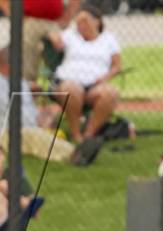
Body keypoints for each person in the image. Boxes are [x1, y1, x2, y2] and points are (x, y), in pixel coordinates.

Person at [0, 46, 75, 164]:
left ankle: (73, 153)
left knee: (37, 134)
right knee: (32, 135)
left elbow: (29, 111)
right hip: (2, 137)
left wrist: (43, 118)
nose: (22, 65)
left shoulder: (20, 82)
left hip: (28, 132)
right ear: (7, 63)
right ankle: (73, 155)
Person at [47, 5, 122, 160]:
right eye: (78, 21)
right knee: (71, 90)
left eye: (85, 20)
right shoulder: (70, 35)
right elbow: (56, 40)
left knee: (110, 93)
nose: (81, 25)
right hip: (68, 81)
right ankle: (76, 135)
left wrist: (106, 77)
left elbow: (117, 66)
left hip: (94, 85)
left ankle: (89, 134)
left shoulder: (109, 39)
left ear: (97, 22)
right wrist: (54, 36)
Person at [0, 0, 81, 87]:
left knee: (62, 47)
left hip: (55, 22)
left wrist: (67, 17)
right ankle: (26, 86)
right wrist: (13, 14)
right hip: (28, 20)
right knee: (26, 43)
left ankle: (58, 85)